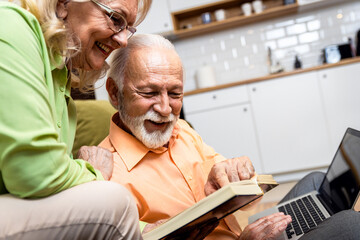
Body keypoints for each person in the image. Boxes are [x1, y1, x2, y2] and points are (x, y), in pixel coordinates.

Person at [101, 33, 291, 240]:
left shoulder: (182, 131)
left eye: (175, 94)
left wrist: (240, 173)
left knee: (316, 184)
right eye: (149, 93)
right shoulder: (106, 177)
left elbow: (246, 198)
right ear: (114, 92)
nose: (166, 109)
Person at [0, 0, 151, 239]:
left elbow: (56, 188)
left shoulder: (59, 74)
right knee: (115, 201)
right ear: (62, 4)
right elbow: (36, 172)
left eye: (128, 28)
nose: (123, 41)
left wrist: (145, 229)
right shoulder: (9, 24)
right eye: (115, 19)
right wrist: (95, 174)